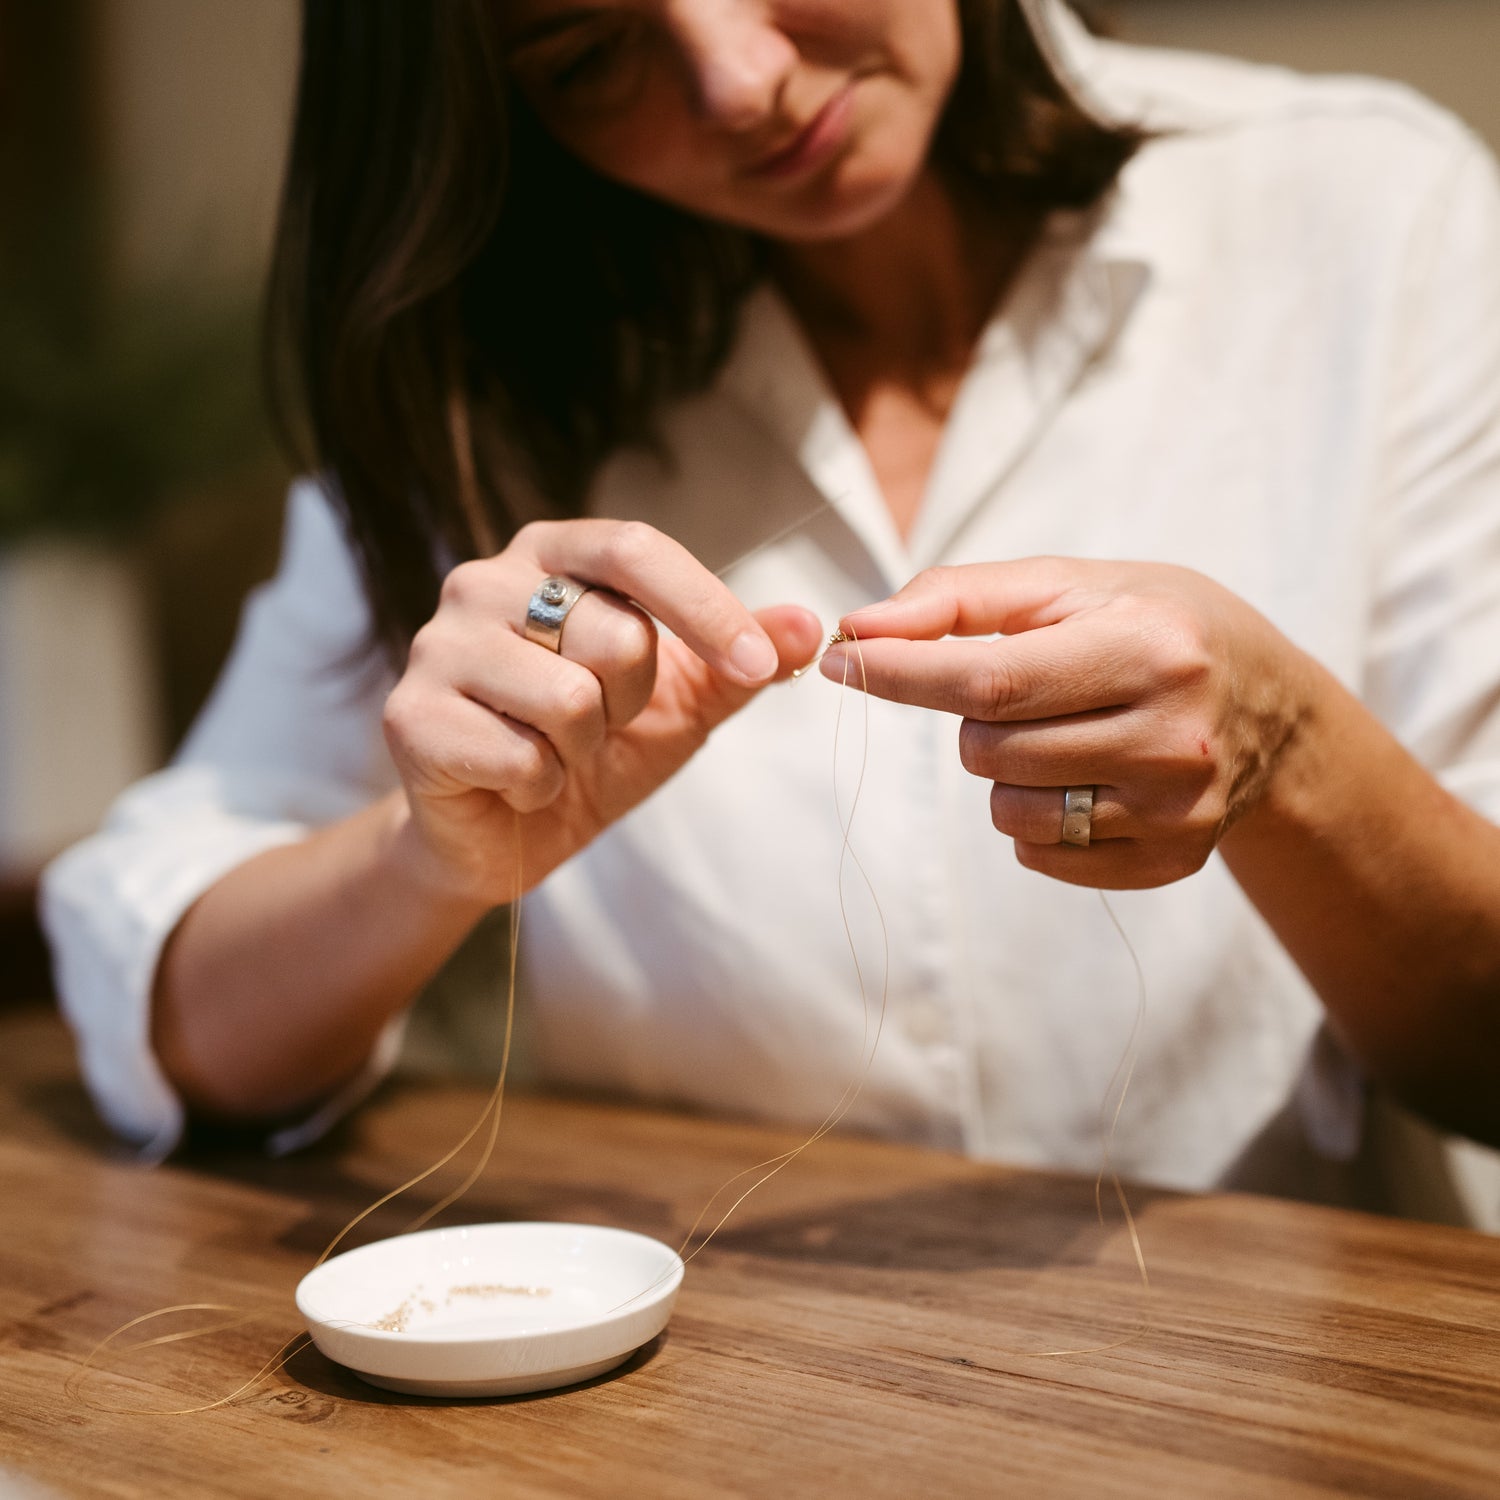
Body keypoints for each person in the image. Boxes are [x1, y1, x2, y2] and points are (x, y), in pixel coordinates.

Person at [42, 0, 1500, 1223]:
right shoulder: (475, 385)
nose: (741, 82)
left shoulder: (1369, 219)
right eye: (591, 55)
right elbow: (165, 1017)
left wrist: (1289, 751)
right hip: (713, 1396)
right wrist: (429, 863)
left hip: (1299, 1386)